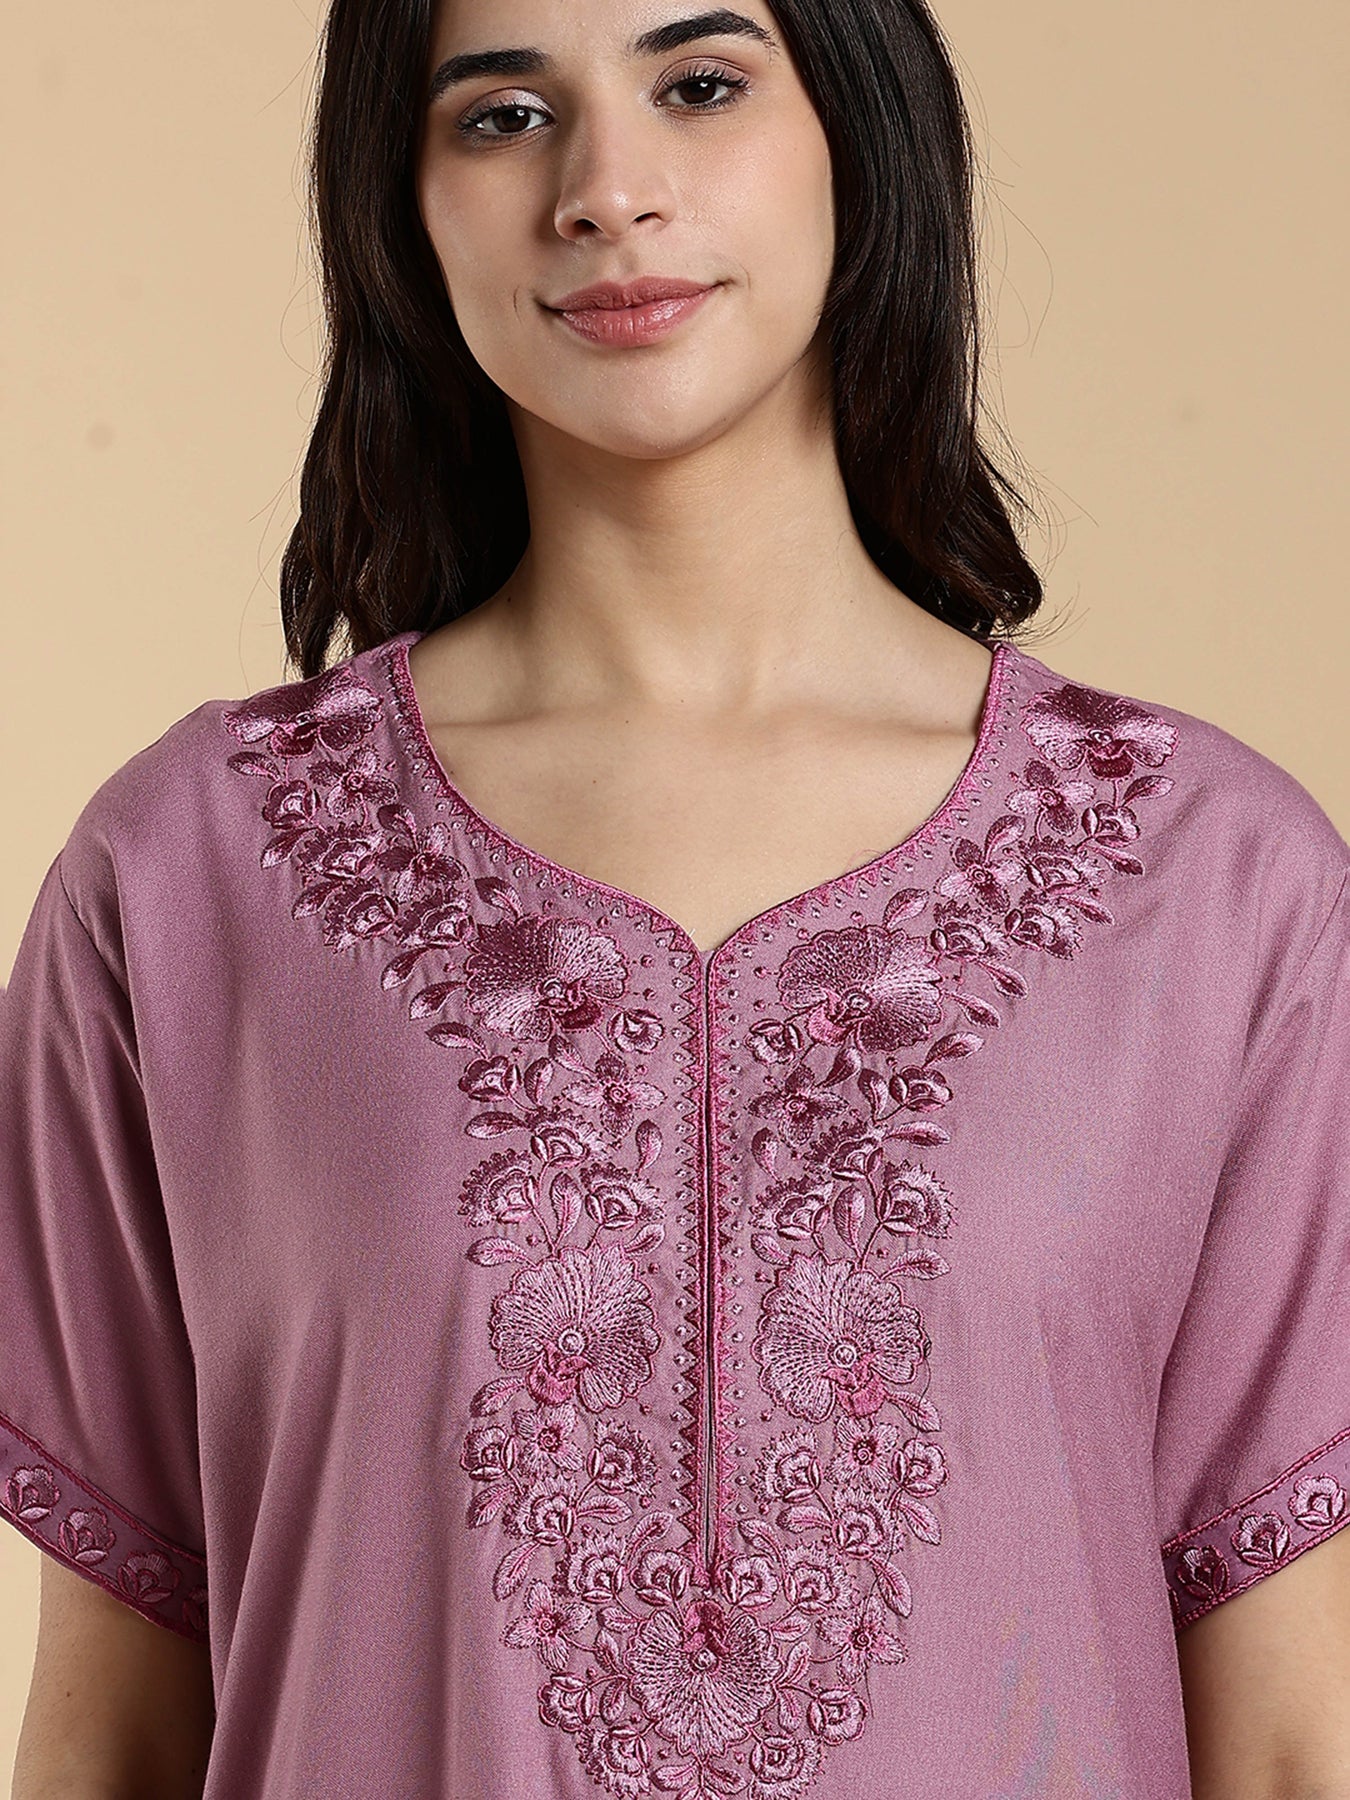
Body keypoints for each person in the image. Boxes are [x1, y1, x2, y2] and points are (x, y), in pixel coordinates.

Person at [5, 0, 1348, 1795]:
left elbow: (1288, 1740)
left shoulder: (1214, 886)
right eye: (500, 116)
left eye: (700, 85)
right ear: (399, 205)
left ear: (861, 134)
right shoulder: (191, 879)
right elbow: (111, 1729)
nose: (604, 189)